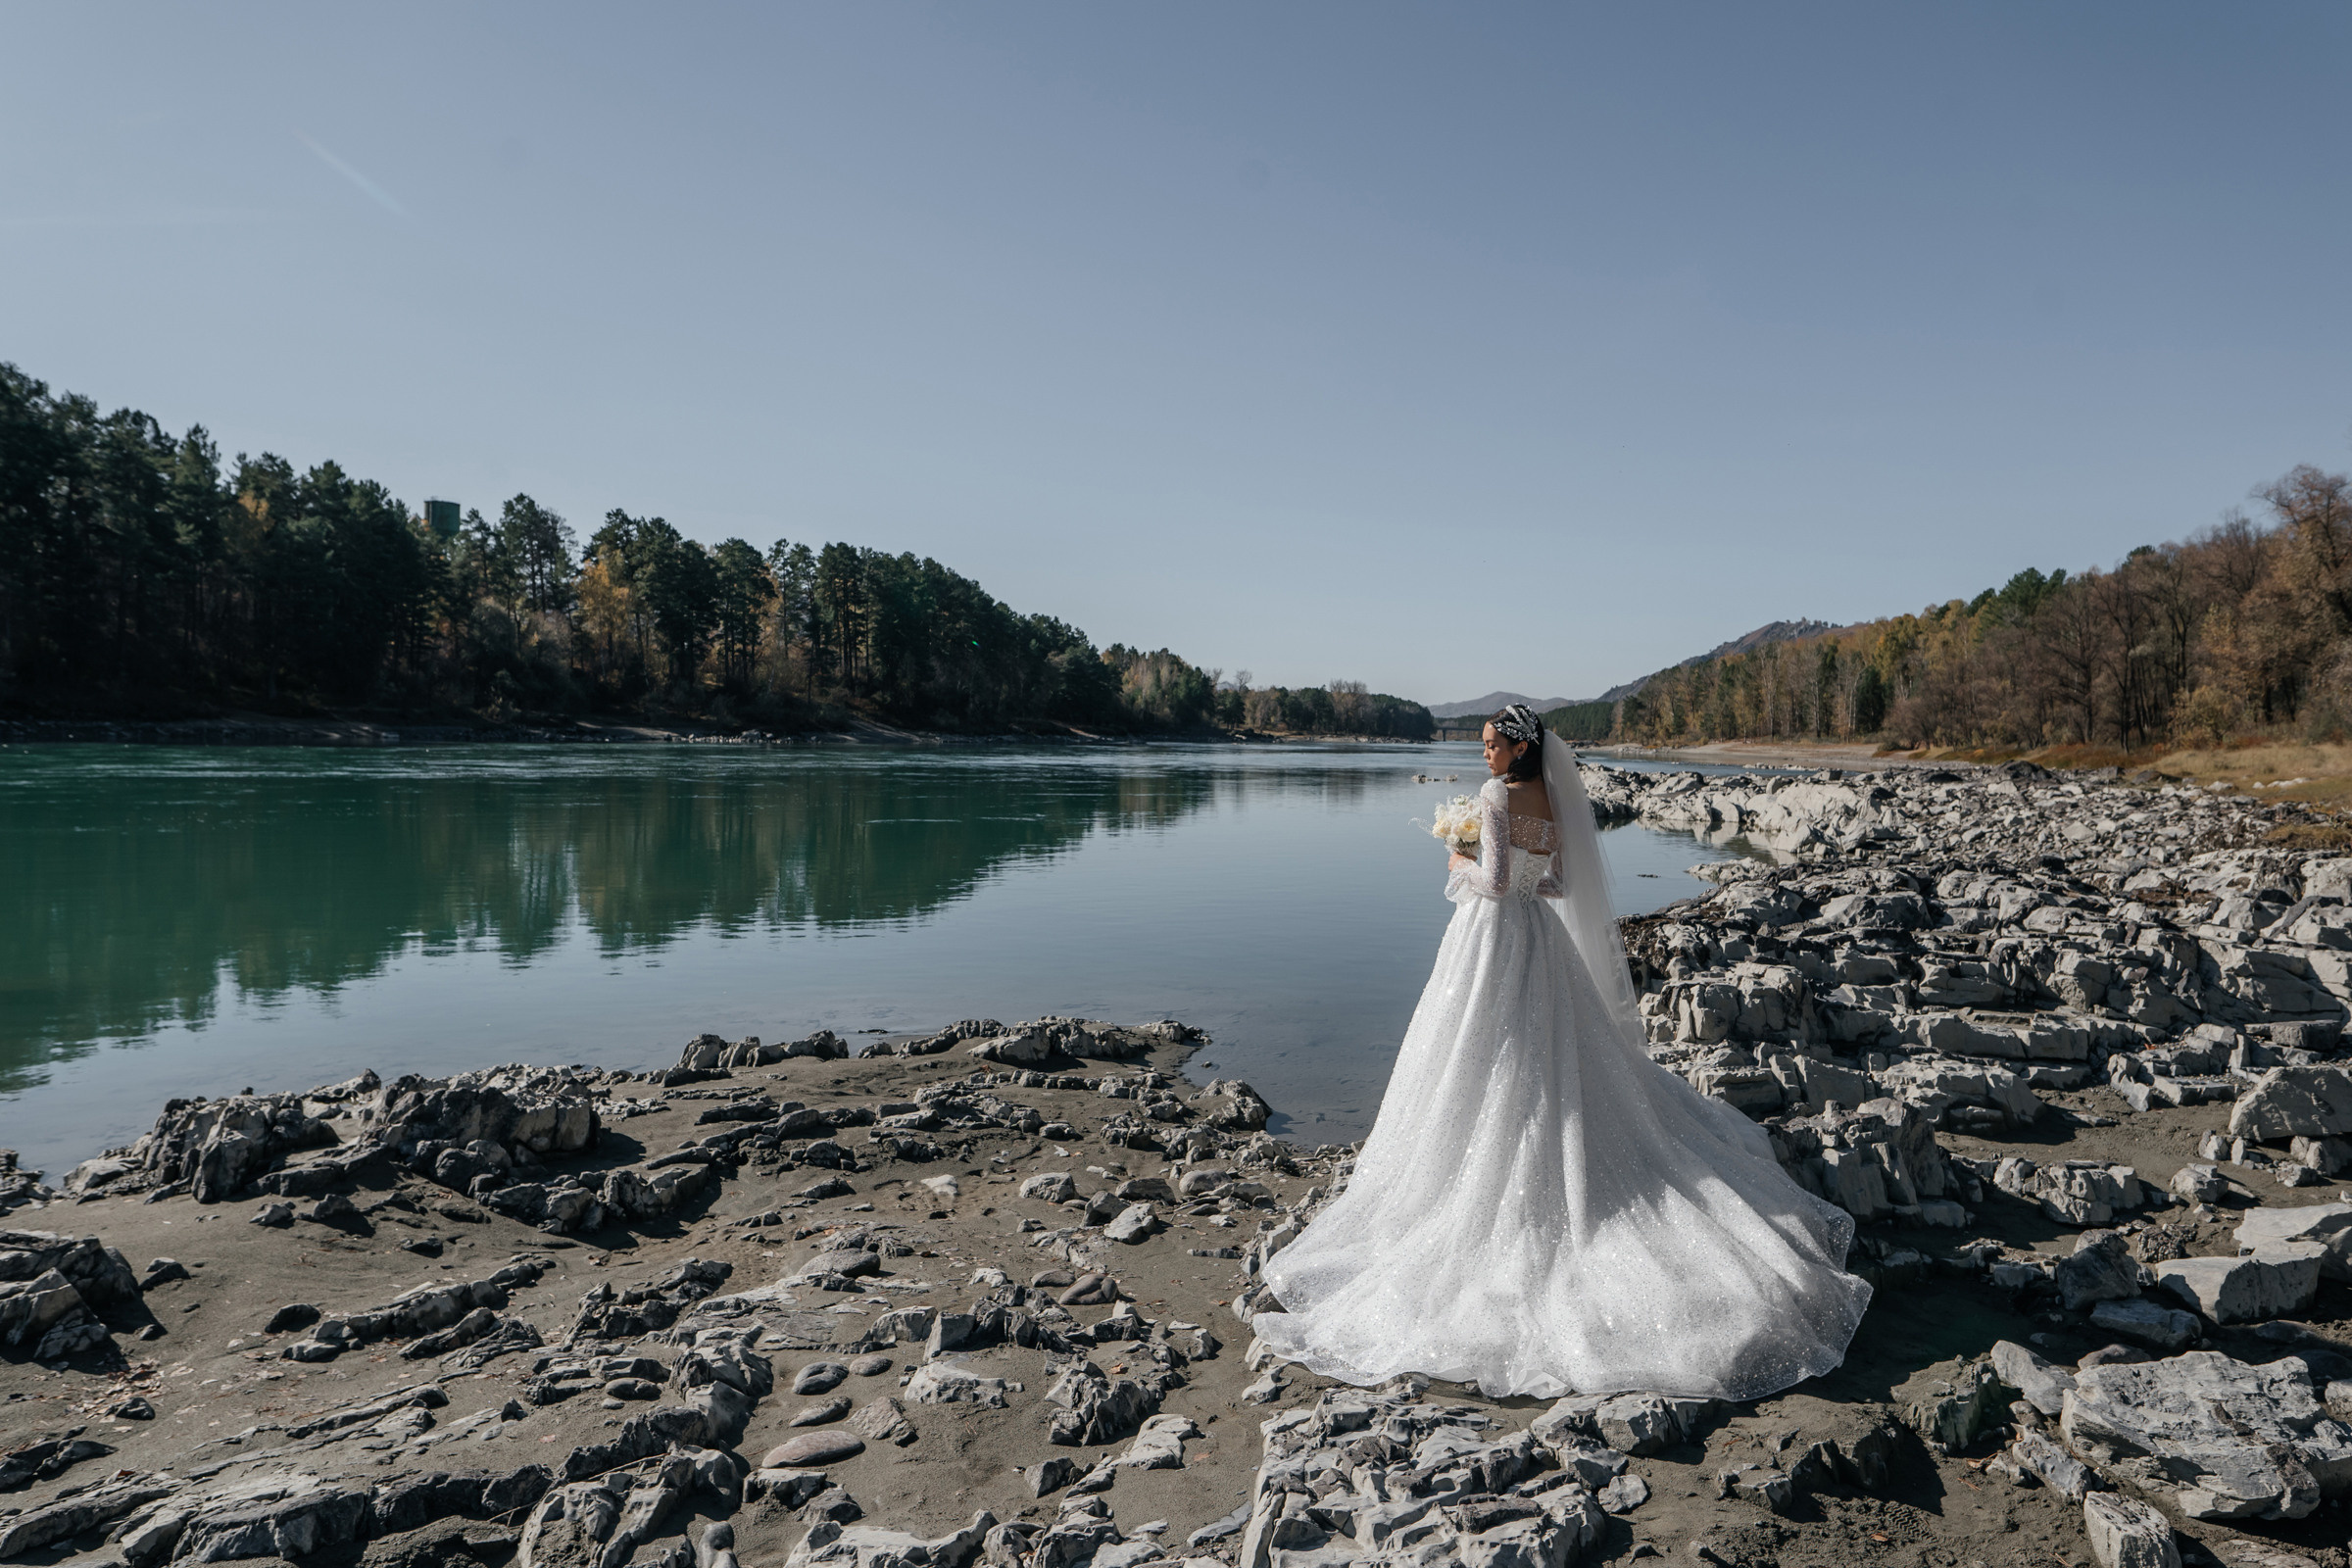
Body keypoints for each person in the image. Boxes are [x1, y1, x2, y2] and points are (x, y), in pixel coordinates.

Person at [1250, 704, 1869, 1400]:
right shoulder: (1549, 796)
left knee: (1487, 1055)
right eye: (1482, 745)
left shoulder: (1494, 797)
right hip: (1539, 939)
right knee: (1540, 1055)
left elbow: (1490, 885)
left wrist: (1457, 858)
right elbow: (1556, 885)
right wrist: (1508, 873)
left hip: (1489, 940)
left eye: (1491, 744)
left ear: (1519, 747)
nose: (1483, 754)